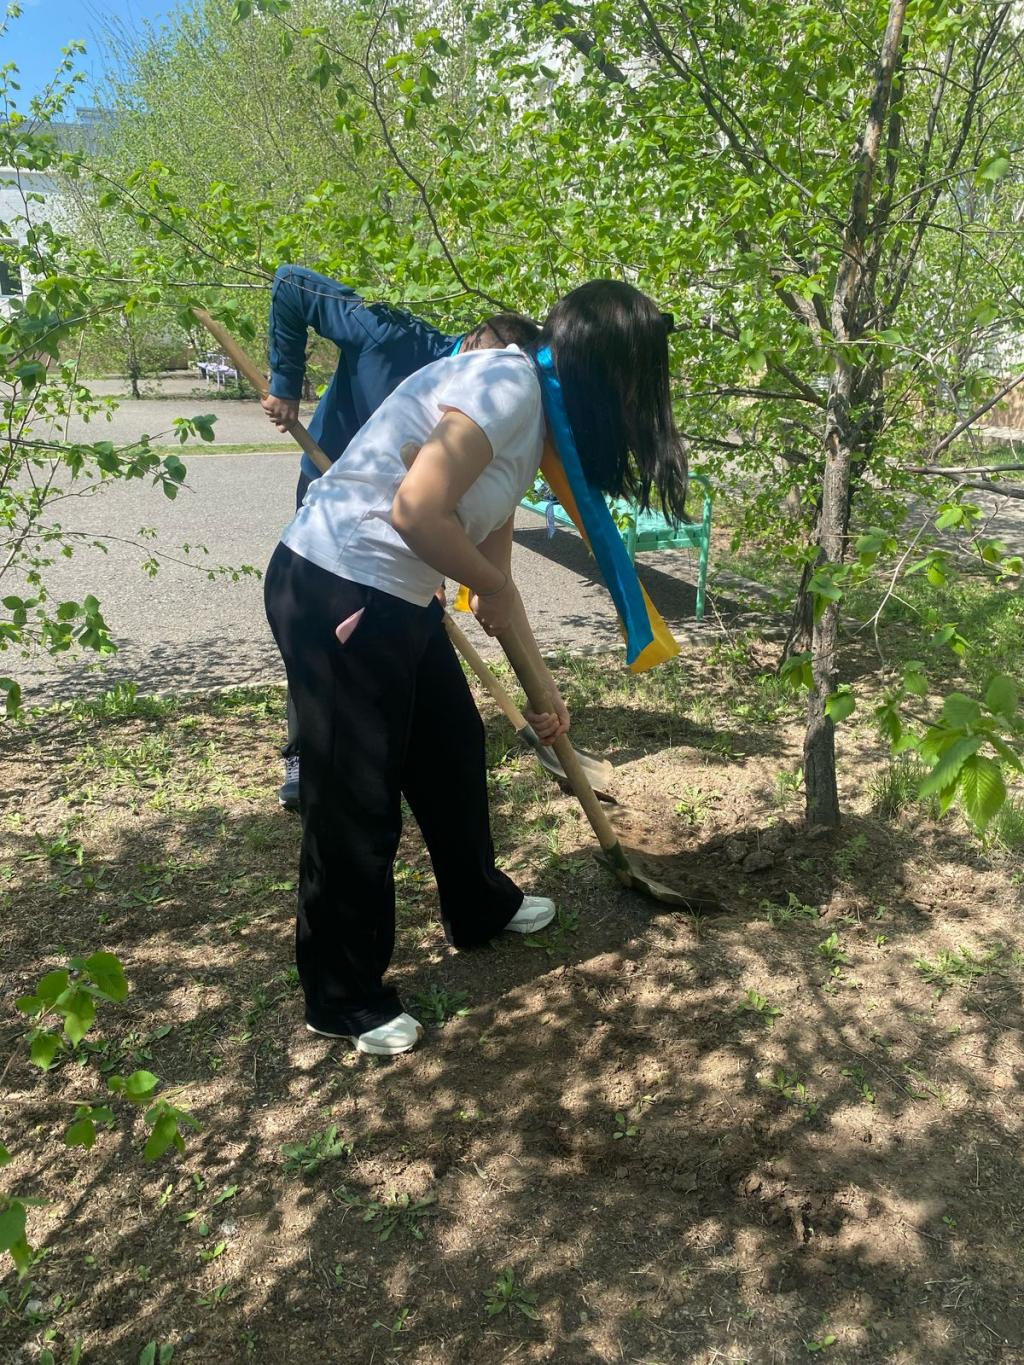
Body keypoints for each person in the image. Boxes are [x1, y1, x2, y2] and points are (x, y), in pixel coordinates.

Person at [263, 278, 687, 1057]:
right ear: (605, 367)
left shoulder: (534, 420)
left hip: (395, 593)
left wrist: (544, 696)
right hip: (338, 585)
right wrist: (490, 584)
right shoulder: (504, 385)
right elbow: (415, 510)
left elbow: (496, 580)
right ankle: (340, 995)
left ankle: (479, 905)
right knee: (357, 801)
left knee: (452, 752)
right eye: (635, 383)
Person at [260, 264, 540, 809]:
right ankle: (304, 751)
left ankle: (412, 743)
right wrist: (285, 386)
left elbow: (464, 516)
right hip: (336, 518)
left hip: (423, 522)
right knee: (334, 642)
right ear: (473, 345)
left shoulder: (497, 407)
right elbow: (292, 284)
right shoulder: (389, 334)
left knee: (408, 638)